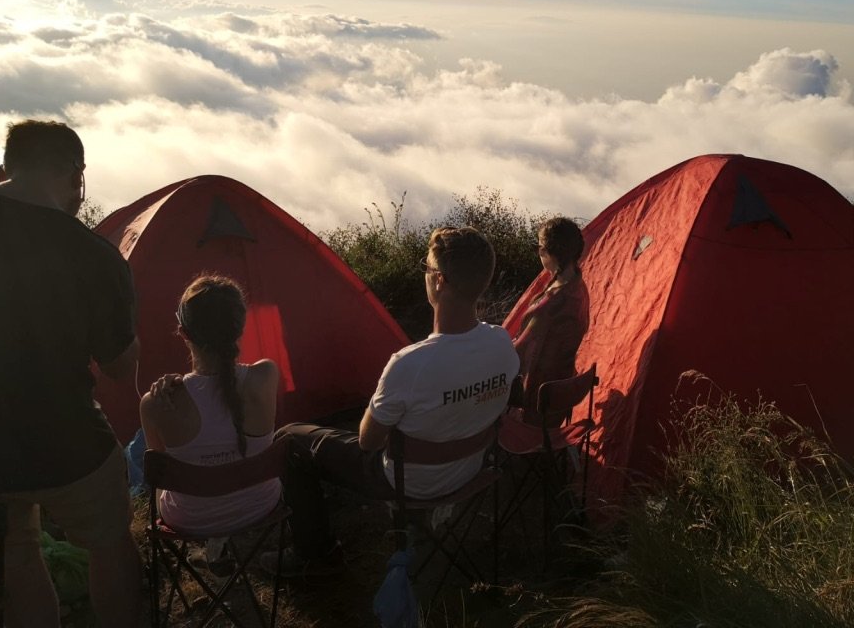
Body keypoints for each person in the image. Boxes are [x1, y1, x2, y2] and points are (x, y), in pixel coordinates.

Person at [271, 226, 519, 572]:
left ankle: (314, 554)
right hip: (470, 469)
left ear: (440, 281)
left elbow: (368, 442)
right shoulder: (502, 344)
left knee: (291, 439)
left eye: (427, 268)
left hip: (408, 482)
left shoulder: (409, 364)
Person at [0, 119, 142, 628]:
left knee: (16, 555)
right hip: (68, 444)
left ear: (5, 167)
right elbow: (117, 369)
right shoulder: (94, 255)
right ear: (77, 176)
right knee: (111, 543)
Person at [139, 275, 281, 537]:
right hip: (260, 506)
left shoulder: (156, 403)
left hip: (190, 520)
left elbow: (160, 474)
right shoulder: (266, 376)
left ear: (183, 333)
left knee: (148, 453)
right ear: (240, 326)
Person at [510, 217, 590, 426]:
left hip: (535, 400)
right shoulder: (578, 287)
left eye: (540, 248)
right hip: (561, 392)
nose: (538, 253)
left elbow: (520, 351)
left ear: (552, 253)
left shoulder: (552, 304)